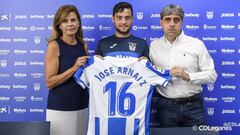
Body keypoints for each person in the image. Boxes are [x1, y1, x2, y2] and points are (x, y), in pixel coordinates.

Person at [149, 4, 217, 127]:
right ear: (161, 22)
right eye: (167, 19)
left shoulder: (196, 44)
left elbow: (212, 75)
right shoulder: (153, 46)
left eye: (176, 19)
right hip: (166, 107)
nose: (172, 24)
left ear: (182, 22)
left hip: (194, 106)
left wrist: (188, 76)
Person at [45, 5, 89, 135]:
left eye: (73, 20)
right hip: (60, 108)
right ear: (59, 25)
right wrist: (74, 68)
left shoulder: (83, 45)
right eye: (65, 21)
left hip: (82, 106)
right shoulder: (54, 45)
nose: (70, 24)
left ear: (78, 23)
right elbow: (49, 82)